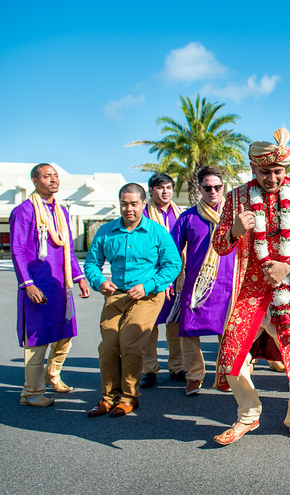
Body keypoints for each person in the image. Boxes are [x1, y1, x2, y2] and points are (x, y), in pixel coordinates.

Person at [211, 128, 290, 444]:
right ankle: (248, 415)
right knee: (232, 356)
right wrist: (233, 230)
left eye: (277, 171)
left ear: (285, 170)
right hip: (249, 291)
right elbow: (220, 245)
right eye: (265, 172)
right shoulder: (235, 198)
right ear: (252, 168)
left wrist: (289, 264)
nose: (272, 178)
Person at [83, 183, 182, 417]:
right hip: (115, 296)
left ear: (143, 204)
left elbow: (173, 264)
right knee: (108, 346)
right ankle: (108, 397)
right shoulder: (106, 231)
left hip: (146, 297)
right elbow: (91, 263)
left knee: (130, 345)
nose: (129, 209)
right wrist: (99, 282)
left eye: (134, 204)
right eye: (124, 204)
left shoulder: (157, 232)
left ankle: (129, 397)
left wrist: (147, 285)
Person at [11, 163, 91, 407]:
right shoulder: (24, 211)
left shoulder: (61, 212)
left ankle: (53, 375)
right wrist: (28, 284)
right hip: (38, 286)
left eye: (55, 176)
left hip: (60, 285)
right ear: (35, 181)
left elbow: (67, 250)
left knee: (65, 336)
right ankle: (31, 393)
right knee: (38, 340)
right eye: (47, 176)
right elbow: (17, 250)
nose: (54, 180)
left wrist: (79, 277)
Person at [169, 166, 232, 396]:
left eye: (217, 187)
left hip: (228, 284)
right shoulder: (188, 217)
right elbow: (172, 252)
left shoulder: (235, 214)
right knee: (189, 331)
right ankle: (194, 376)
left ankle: (226, 374)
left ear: (223, 187)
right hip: (196, 285)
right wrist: (168, 281)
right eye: (207, 187)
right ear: (199, 188)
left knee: (227, 332)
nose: (213, 191)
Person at [141, 173, 184, 388]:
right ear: (150, 191)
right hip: (151, 278)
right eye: (160, 188)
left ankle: (177, 367)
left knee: (175, 323)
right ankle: (149, 369)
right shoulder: (142, 214)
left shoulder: (180, 214)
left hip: (177, 278)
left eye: (168, 187)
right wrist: (161, 280)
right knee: (149, 325)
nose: (165, 191)